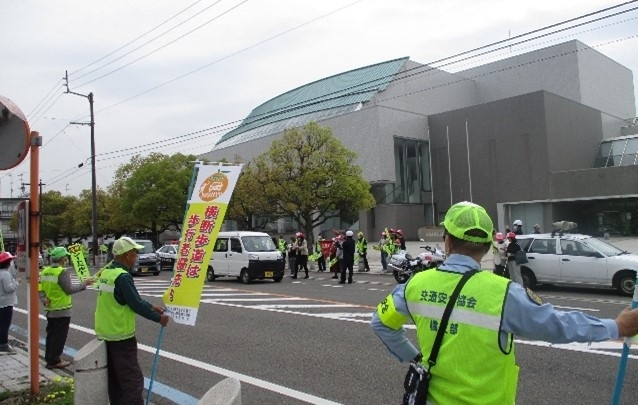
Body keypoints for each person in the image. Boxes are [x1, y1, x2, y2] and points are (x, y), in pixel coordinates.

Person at [371, 201, 638, 405]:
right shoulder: (503, 293)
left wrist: (415, 358)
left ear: (448, 242)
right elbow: (557, 325)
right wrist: (616, 327)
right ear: (488, 245)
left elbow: (380, 323)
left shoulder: (415, 285)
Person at [95, 236, 170, 405]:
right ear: (127, 255)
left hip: (105, 334)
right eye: (135, 253)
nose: (136, 256)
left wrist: (152, 306)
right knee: (132, 382)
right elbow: (135, 304)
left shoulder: (107, 273)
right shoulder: (123, 277)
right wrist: (159, 318)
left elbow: (126, 299)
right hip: (121, 335)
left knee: (115, 381)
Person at [39, 246, 94, 369]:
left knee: (51, 335)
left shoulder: (45, 271)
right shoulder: (61, 272)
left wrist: (44, 300)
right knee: (59, 337)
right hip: (62, 309)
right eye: (66, 257)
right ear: (62, 258)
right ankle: (54, 361)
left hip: (50, 309)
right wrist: (84, 284)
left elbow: (40, 289)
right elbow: (69, 290)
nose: (67, 258)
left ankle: (49, 357)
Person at [0, 252, 19, 355]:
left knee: (1, 324)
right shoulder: (5, 274)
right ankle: (3, 344)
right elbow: (9, 288)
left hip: (1, 303)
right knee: (4, 325)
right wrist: (17, 283)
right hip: (6, 303)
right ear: (7, 263)